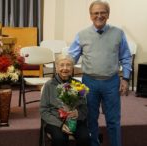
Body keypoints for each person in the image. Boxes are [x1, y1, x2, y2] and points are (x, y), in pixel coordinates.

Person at [68, 1, 132, 146]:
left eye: (103, 12)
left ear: (108, 14)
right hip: (89, 82)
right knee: (90, 119)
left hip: (111, 82)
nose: (99, 16)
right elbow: (71, 57)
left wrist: (126, 79)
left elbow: (126, 57)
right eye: (95, 13)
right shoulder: (82, 34)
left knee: (113, 120)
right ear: (90, 15)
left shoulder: (118, 33)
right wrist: (64, 68)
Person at [40, 54, 90, 146]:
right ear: (57, 67)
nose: (65, 68)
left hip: (75, 120)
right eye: (62, 65)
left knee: (85, 138)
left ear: (72, 68)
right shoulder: (49, 85)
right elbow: (44, 111)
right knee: (59, 139)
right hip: (55, 121)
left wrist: (77, 113)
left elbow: (84, 108)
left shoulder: (79, 85)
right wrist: (60, 125)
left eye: (68, 65)